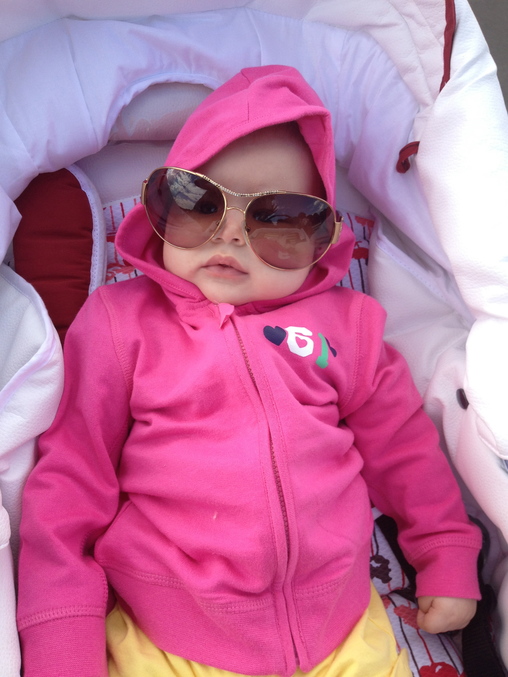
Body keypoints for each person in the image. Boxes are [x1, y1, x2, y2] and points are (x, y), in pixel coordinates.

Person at [17, 65, 481, 677]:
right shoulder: (120, 323)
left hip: (340, 628)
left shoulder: (348, 329)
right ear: (160, 208)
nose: (231, 235)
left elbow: (405, 451)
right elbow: (72, 482)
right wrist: (62, 640)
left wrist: (445, 551)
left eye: (280, 219)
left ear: (323, 241)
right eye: (198, 203)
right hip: (168, 635)